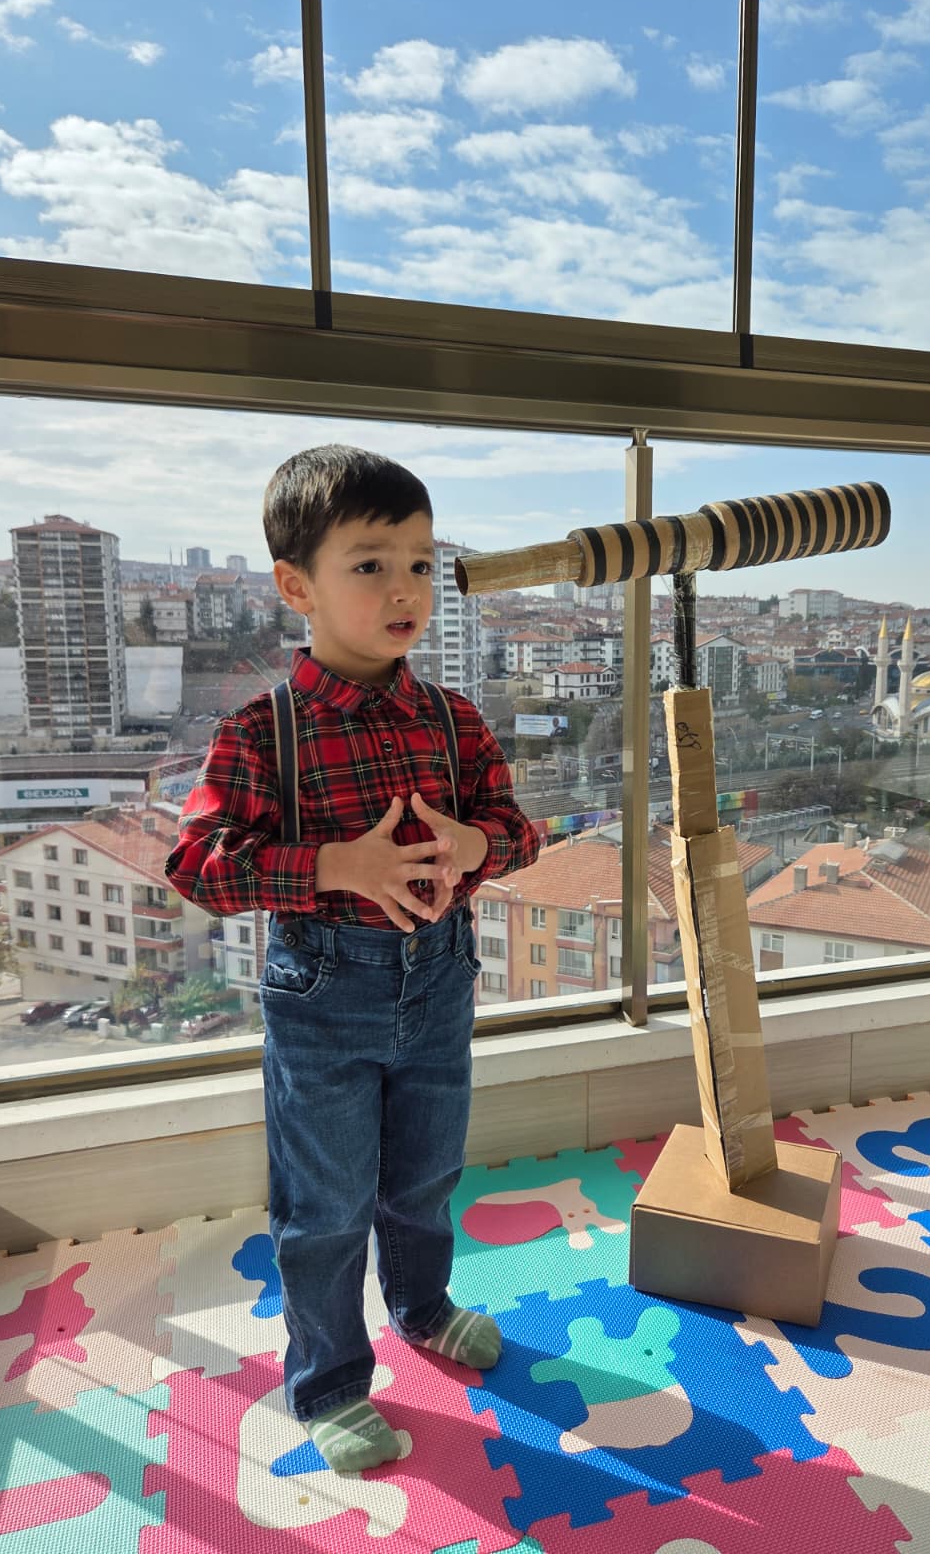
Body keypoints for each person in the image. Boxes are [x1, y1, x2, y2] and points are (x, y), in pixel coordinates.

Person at [165, 444, 539, 1473]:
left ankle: (423, 1304)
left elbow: (519, 830)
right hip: (323, 995)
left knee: (426, 1174)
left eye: (420, 564)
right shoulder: (262, 733)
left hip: (441, 978)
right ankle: (329, 1378)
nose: (404, 588)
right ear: (298, 587)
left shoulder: (455, 722)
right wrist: (337, 864)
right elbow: (196, 863)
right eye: (371, 565)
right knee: (323, 1207)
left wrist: (475, 846)